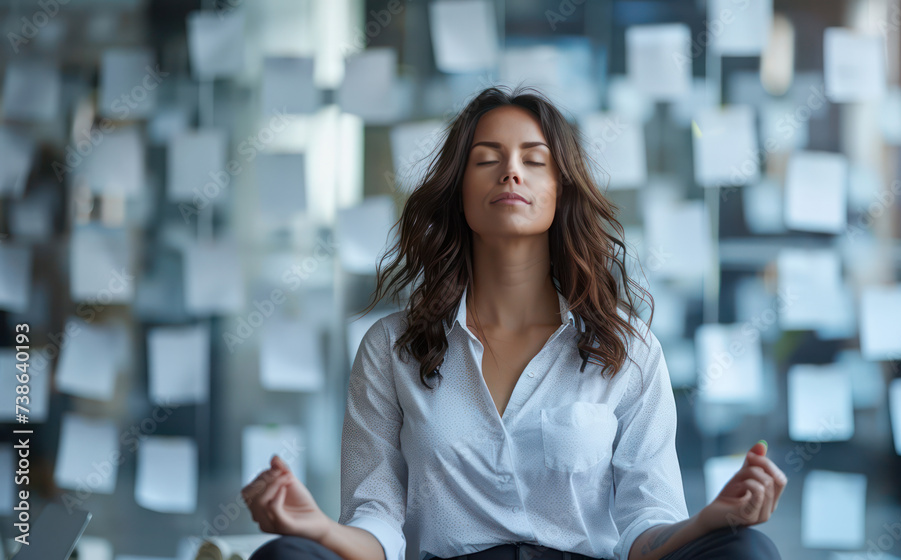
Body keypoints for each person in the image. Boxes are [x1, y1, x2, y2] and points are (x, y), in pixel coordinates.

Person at [243, 85, 785, 560]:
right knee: (285, 554)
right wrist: (314, 529)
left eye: (534, 159)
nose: (510, 171)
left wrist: (709, 522)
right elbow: (377, 525)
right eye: (486, 159)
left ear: (561, 189)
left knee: (748, 548)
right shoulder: (391, 347)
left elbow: (645, 531)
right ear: (459, 190)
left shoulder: (629, 350)